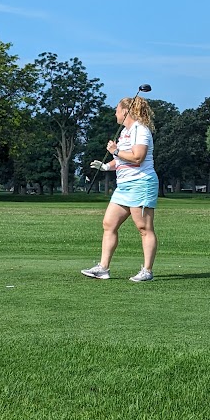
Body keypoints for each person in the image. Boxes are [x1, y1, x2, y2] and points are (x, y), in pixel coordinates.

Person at [81, 95, 158, 282]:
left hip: (141, 183)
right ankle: (103, 268)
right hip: (124, 186)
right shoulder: (125, 131)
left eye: (117, 109)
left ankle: (147, 271)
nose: (115, 112)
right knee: (109, 224)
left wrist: (115, 150)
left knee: (143, 227)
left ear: (126, 111)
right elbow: (123, 158)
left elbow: (138, 157)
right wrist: (107, 166)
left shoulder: (141, 130)